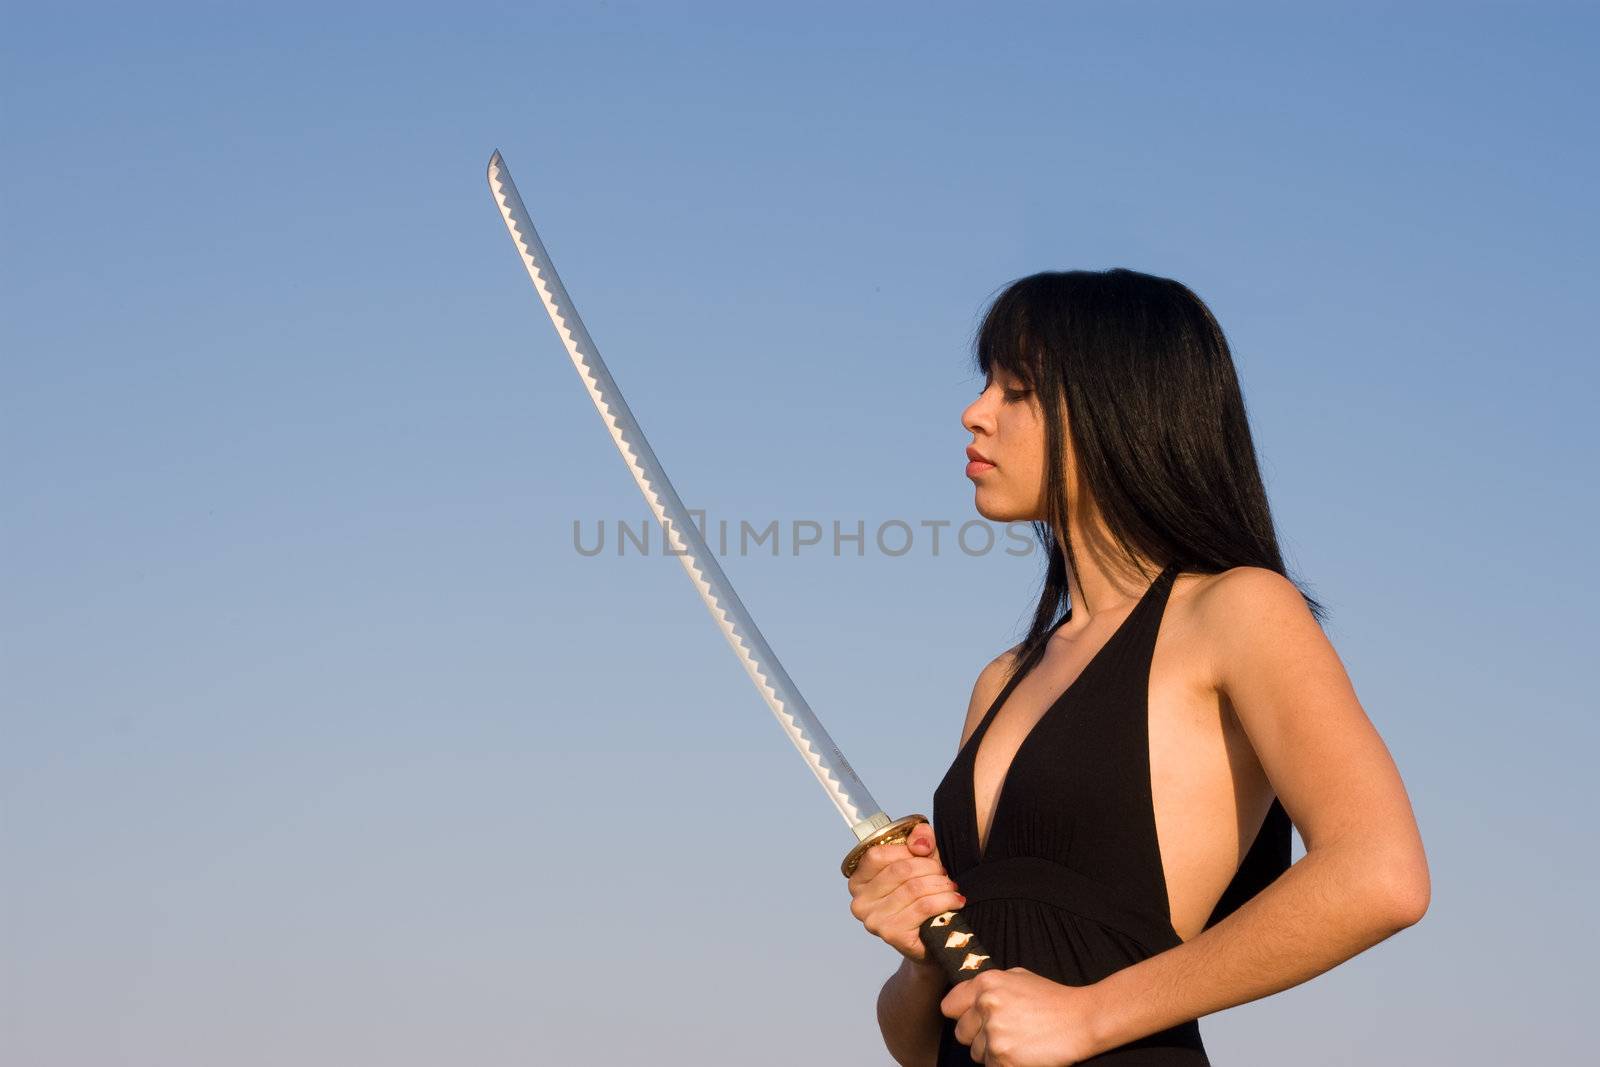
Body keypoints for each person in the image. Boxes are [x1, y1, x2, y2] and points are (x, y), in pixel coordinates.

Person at [844, 269, 1429, 1066]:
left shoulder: (1237, 611)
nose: (974, 412)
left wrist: (1089, 1016)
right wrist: (920, 953)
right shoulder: (1000, 680)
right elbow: (927, 1044)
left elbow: (1382, 873)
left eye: (1016, 389)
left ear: (1118, 411)